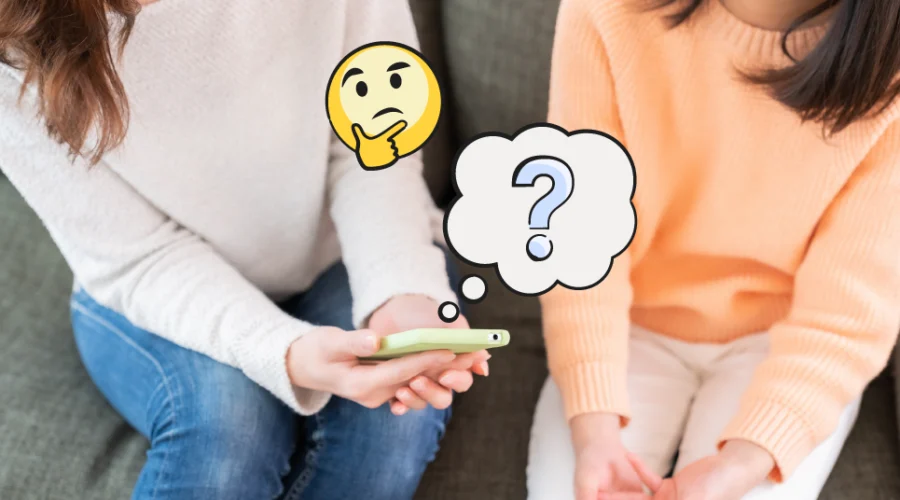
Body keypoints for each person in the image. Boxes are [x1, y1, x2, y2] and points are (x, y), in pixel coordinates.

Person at [0, 1, 489, 499]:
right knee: (228, 428)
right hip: (151, 284)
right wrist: (282, 351)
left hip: (337, 253)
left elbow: (375, 148)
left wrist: (399, 290)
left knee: (395, 420)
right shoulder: (11, 40)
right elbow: (137, 256)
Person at [527, 0, 900, 499]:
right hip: (626, 325)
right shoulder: (604, 11)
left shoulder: (887, 64)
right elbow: (575, 237)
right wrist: (594, 427)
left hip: (782, 344)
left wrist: (747, 459)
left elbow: (848, 313)